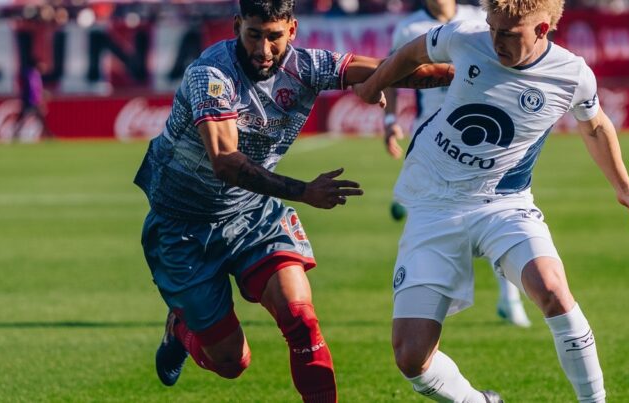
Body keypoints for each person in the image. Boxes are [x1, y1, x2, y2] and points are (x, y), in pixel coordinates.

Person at [133, 1, 451, 402]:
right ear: (236, 27)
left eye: (273, 37)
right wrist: (304, 192)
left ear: (292, 30)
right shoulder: (211, 76)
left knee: (301, 319)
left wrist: (470, 74)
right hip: (182, 227)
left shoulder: (309, 66)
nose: (262, 50)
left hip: (252, 214)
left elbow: (395, 70)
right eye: (253, 35)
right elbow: (227, 163)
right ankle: (180, 329)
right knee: (232, 362)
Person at [353, 0, 629, 401]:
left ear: (542, 30)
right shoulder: (465, 37)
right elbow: (412, 52)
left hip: (504, 203)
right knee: (411, 359)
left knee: (552, 289)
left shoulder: (571, 74)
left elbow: (596, 125)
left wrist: (625, 188)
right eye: (492, 27)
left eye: (509, 34)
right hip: (433, 202)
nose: (496, 40)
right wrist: (374, 86)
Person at [383, 0, 532, 328]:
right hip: (434, 133)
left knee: (497, 211)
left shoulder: (478, 18)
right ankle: (420, 303)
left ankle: (510, 299)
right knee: (431, 219)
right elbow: (395, 71)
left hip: (479, 129)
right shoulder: (409, 27)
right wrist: (391, 118)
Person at [14, 57, 52, 141]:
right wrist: (38, 101)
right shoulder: (33, 75)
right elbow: (34, 90)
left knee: (29, 118)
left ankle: (49, 135)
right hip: (31, 101)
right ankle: (49, 136)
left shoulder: (30, 74)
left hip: (28, 100)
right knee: (32, 118)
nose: (44, 66)